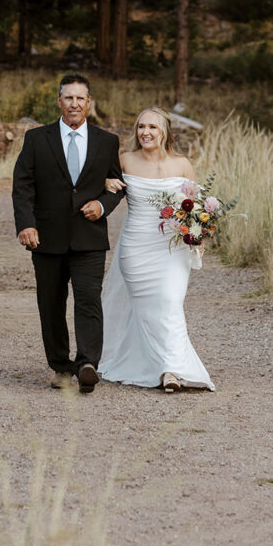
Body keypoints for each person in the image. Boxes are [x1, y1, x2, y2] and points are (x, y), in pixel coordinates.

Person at [12, 74, 125, 393]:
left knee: (89, 300)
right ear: (59, 102)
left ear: (89, 103)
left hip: (89, 236)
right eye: (68, 98)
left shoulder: (107, 141)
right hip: (46, 236)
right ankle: (60, 367)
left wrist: (102, 206)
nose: (74, 103)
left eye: (80, 98)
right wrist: (26, 224)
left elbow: (117, 186)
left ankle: (88, 363)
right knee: (51, 303)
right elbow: (22, 185)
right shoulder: (36, 139)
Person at [99, 106, 215, 392]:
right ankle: (153, 363)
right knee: (146, 309)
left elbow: (196, 207)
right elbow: (96, 183)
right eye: (141, 127)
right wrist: (105, 180)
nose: (146, 133)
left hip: (172, 246)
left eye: (152, 127)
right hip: (135, 246)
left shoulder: (182, 164)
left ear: (164, 132)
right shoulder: (124, 160)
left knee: (170, 300)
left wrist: (198, 235)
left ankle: (172, 369)